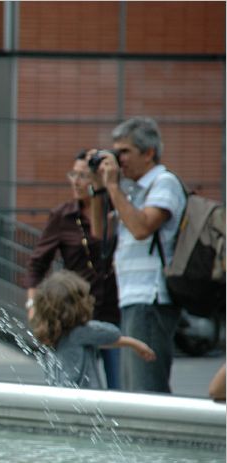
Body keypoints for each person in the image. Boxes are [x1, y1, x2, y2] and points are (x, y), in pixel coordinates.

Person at [89, 117, 186, 393]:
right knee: (133, 388)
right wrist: (98, 188)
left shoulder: (164, 182)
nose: (119, 159)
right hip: (132, 296)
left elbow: (142, 228)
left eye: (125, 151)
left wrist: (113, 187)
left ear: (149, 152)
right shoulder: (132, 191)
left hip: (151, 297)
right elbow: (99, 231)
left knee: (146, 388)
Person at [25, 149, 121, 389]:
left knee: (119, 385)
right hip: (77, 314)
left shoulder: (117, 208)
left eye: (84, 176)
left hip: (115, 309)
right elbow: (38, 263)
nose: (76, 182)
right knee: (77, 384)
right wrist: (33, 305)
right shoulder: (63, 215)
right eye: (73, 175)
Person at [30, 270, 156, 389]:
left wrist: (132, 344)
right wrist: (135, 344)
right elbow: (112, 333)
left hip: (60, 394)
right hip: (84, 398)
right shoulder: (81, 332)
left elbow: (99, 341)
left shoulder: (50, 333)